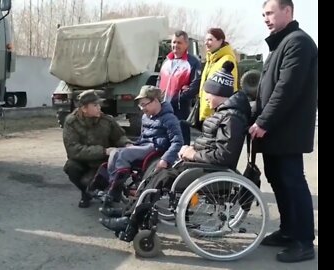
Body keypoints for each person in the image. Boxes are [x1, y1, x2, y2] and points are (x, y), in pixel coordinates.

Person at [100, 61, 252, 234]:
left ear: (218, 93)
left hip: (209, 169)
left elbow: (224, 155)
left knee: (160, 177)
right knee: (154, 175)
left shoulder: (231, 118)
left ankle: (131, 221)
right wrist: (190, 149)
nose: (205, 97)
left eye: (208, 93)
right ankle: (131, 213)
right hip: (203, 165)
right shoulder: (225, 114)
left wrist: (193, 154)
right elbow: (214, 145)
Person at [249, 0, 317, 263]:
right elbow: (266, 88)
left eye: (270, 13)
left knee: (293, 181)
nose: (266, 18)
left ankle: (303, 241)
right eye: (263, 14)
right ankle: (288, 230)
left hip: (287, 130)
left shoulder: (298, 42)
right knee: (277, 178)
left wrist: (264, 122)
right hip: (276, 130)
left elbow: (286, 89)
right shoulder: (280, 43)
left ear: (287, 11)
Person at [100, 85, 184, 209]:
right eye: (141, 105)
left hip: (156, 149)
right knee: (115, 153)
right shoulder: (145, 117)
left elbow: (178, 141)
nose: (142, 108)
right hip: (144, 146)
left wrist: (166, 159)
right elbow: (143, 137)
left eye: (145, 104)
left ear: (155, 100)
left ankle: (114, 191)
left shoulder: (169, 119)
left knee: (122, 154)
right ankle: (111, 185)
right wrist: (132, 145)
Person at [62, 90, 131, 208]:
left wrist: (127, 144)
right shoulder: (71, 123)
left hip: (102, 162)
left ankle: (107, 192)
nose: (99, 107)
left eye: (99, 104)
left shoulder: (107, 120)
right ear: (84, 109)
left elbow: (119, 136)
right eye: (95, 105)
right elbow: (73, 150)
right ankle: (86, 193)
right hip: (83, 161)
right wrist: (103, 151)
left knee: (100, 178)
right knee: (71, 167)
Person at [157, 30, 201, 145]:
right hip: (163, 107)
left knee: (181, 139)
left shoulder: (193, 62)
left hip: (181, 109)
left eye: (179, 43)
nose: (175, 45)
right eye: (174, 42)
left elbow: (195, 85)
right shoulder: (167, 60)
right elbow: (159, 79)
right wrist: (157, 97)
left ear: (186, 45)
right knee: (165, 139)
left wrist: (180, 97)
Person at [198, 28, 239, 123]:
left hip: (216, 115)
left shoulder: (227, 60)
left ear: (220, 41)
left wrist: (217, 112)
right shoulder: (211, 60)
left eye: (210, 40)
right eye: (205, 40)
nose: (206, 43)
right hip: (207, 112)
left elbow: (227, 91)